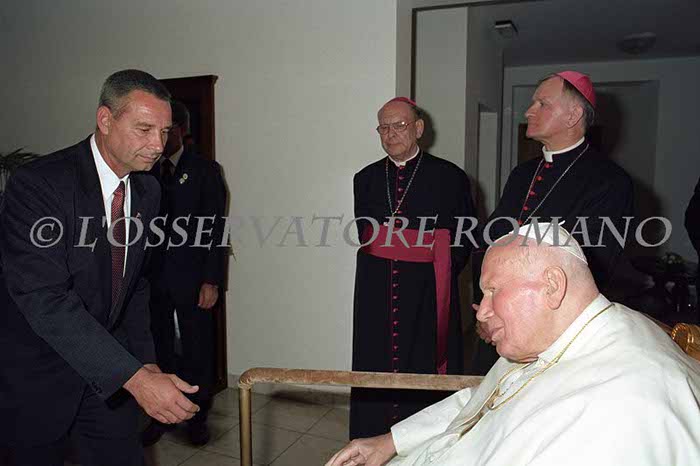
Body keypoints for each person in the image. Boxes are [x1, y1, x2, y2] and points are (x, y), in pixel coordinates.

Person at [328, 224, 700, 466]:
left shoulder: (623, 410)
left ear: (552, 286)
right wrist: (390, 442)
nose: (482, 310)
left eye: (493, 290)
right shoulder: (563, 334)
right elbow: (483, 401)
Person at [0, 69, 200, 466]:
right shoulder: (38, 184)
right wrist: (136, 379)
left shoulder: (148, 189)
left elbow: (135, 283)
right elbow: (44, 298)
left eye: (164, 132)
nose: (158, 145)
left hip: (107, 372)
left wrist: (144, 361)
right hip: (37, 374)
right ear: (105, 120)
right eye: (144, 129)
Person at [470, 71, 634, 374]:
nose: (528, 111)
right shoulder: (522, 174)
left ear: (573, 115)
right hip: (497, 325)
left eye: (542, 104)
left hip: (554, 334)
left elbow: (594, 266)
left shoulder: (609, 181)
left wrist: (509, 315)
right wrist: (486, 307)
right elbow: (491, 240)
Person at [351, 97, 476, 439]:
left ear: (419, 128)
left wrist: (435, 267)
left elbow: (464, 237)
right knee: (374, 364)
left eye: (400, 125)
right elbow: (367, 236)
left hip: (428, 292)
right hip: (376, 292)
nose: (390, 134)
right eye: (383, 127)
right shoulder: (365, 178)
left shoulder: (450, 177)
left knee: (424, 366)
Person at [141, 100, 227, 446]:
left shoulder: (204, 169)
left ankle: (197, 417)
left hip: (193, 279)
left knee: (196, 349)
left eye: (166, 130)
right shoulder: (144, 169)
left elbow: (217, 228)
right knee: (157, 348)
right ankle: (159, 415)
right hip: (151, 280)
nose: (160, 139)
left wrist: (212, 280)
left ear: (182, 130)